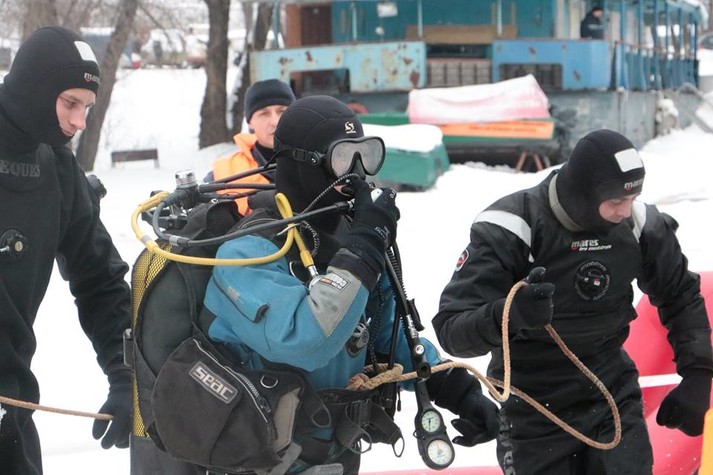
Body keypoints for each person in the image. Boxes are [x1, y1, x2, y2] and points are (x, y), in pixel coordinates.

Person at [201, 95, 500, 474]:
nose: (357, 174)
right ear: (303, 164)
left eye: (366, 155)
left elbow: (383, 334)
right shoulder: (246, 254)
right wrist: (363, 249)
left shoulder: (348, 241)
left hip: (334, 452)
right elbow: (306, 341)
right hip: (257, 460)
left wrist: (453, 386)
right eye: (343, 158)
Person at [432, 129, 713, 474]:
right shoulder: (513, 226)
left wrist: (698, 374)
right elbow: (451, 329)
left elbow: (681, 296)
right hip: (533, 409)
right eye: (616, 202)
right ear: (584, 193)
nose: (625, 210)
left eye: (632, 198)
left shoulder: (639, 225)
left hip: (611, 397)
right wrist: (511, 314)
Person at [0, 26, 132, 474]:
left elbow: (100, 278)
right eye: (70, 103)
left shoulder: (56, 167)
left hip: (10, 407)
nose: (80, 121)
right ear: (35, 91)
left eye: (87, 108)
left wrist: (124, 372)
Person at [209, 78, 296, 215]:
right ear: (250, 122)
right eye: (264, 113)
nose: (275, 121)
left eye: (282, 111)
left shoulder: (322, 160)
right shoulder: (224, 172)